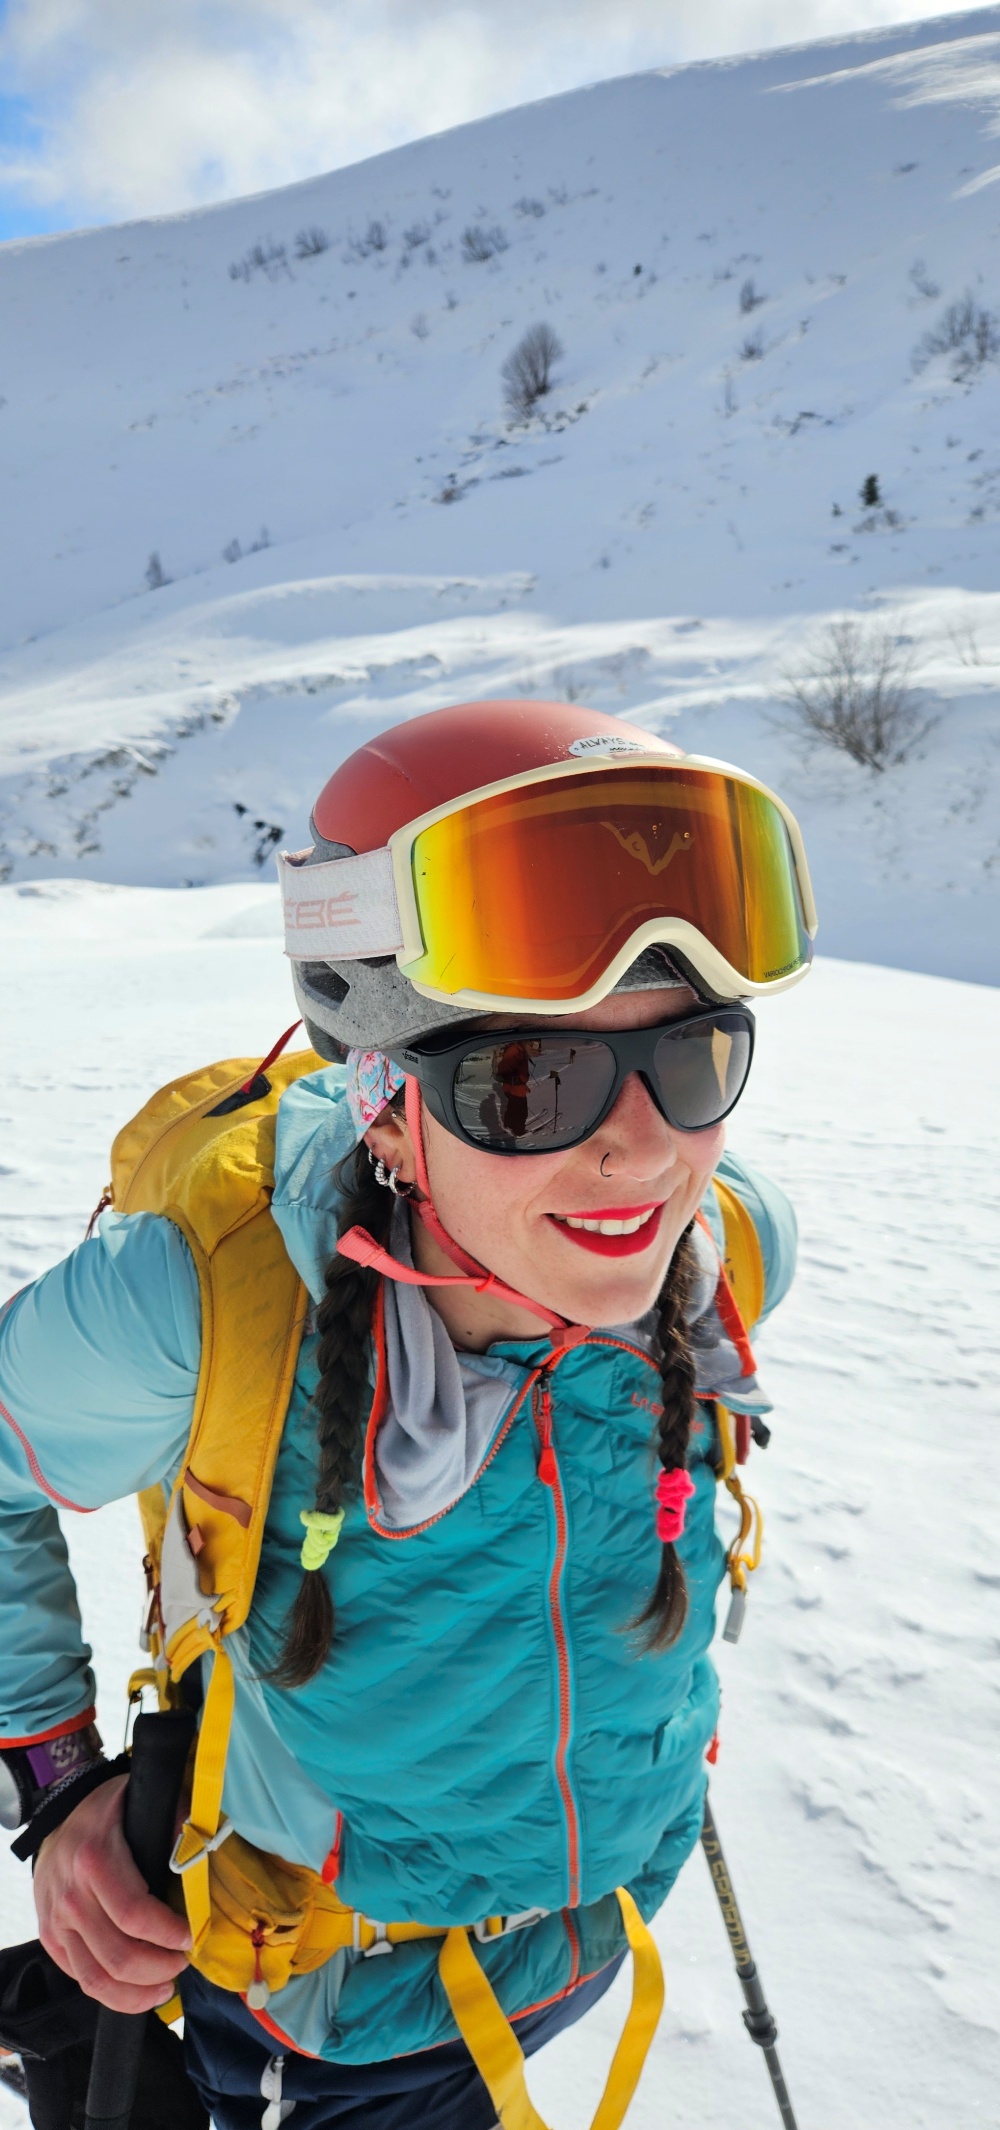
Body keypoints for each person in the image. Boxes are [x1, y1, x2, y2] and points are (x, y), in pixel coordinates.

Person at [0, 699, 812, 2130]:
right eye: (529, 1080)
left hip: (577, 1941)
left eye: (690, 1059)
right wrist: (57, 1788)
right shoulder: (205, 1303)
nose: (641, 1151)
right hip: (327, 2005)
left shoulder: (724, 1249)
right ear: (382, 1104)